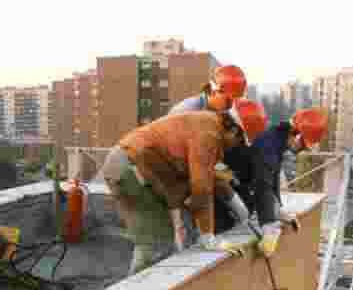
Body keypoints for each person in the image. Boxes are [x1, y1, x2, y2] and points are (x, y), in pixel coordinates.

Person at [101, 98, 267, 275]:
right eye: (240, 141)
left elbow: (211, 178)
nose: (237, 146)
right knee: (156, 239)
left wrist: (241, 211)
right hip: (129, 167)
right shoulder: (208, 135)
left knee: (165, 235)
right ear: (234, 130)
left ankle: (153, 284)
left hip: (135, 164)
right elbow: (201, 188)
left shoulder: (210, 125)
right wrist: (208, 238)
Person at [223, 107, 328, 256]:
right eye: (303, 146)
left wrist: (278, 209)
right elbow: (262, 185)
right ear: (297, 136)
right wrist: (269, 227)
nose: (301, 151)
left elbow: (273, 180)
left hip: (238, 184)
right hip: (226, 185)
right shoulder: (269, 146)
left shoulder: (277, 141)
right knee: (235, 217)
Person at [168, 65, 253, 238]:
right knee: (180, 237)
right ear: (215, 91)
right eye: (229, 101)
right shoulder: (190, 110)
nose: (229, 106)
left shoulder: (214, 115)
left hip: (187, 175)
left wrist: (229, 176)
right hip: (169, 174)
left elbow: (212, 159)